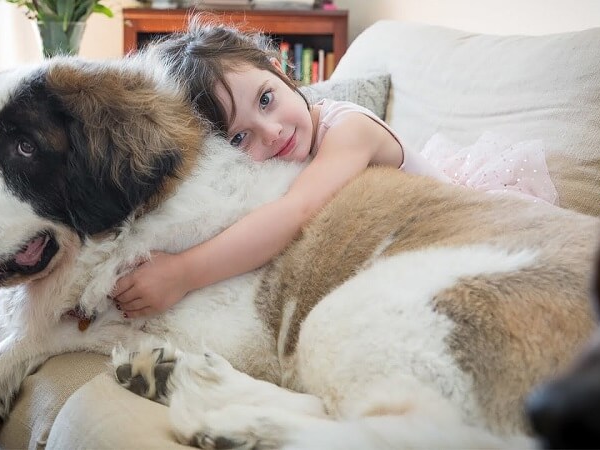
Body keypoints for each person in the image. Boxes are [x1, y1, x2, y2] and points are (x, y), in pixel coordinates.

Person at [111, 19, 557, 318]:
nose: (271, 132)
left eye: (266, 99)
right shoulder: (270, 160)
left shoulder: (350, 130)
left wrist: (184, 272)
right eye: (239, 138)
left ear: (280, 71)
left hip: (461, 226)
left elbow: (298, 212)